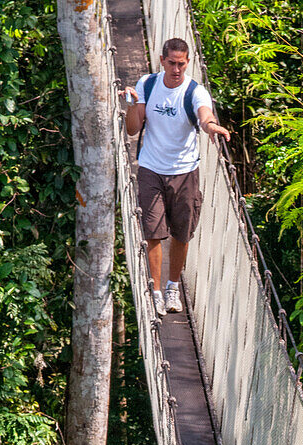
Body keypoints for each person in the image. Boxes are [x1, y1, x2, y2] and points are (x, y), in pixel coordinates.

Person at [121, 38, 229, 316]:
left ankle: (172, 287)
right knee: (154, 234)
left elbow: (204, 115)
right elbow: (133, 130)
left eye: (181, 64)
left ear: (188, 63)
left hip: (184, 172)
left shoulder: (195, 91)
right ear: (162, 60)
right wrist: (132, 106)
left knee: (181, 235)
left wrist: (212, 126)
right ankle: (156, 292)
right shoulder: (148, 84)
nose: (177, 69)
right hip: (151, 169)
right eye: (172, 63)